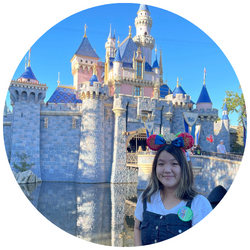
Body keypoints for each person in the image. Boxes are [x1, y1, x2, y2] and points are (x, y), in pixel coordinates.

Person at [134, 132, 212, 246]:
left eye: (174, 163)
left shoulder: (199, 205)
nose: (167, 170)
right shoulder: (146, 198)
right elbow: (137, 228)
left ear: (184, 168)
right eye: (161, 164)